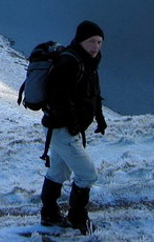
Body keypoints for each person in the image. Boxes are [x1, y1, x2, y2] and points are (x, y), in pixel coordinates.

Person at [39, 20, 107, 235]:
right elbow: (59, 95)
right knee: (87, 174)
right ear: (80, 40)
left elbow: (92, 95)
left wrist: (99, 118)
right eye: (91, 41)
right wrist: (73, 123)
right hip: (62, 130)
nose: (96, 46)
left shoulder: (87, 62)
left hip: (63, 129)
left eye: (99, 42)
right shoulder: (70, 62)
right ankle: (77, 218)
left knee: (58, 172)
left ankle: (49, 215)